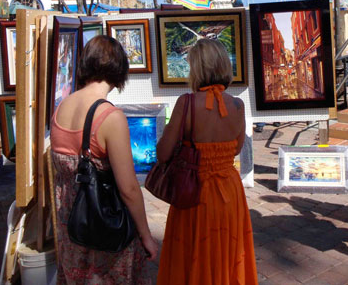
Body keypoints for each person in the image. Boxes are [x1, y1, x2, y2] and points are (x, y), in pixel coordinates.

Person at [50, 35, 158, 284]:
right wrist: (146, 236)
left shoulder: (61, 108)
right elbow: (129, 188)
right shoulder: (110, 117)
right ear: (119, 70)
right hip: (103, 231)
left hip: (71, 227)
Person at [157, 38, 258, 284]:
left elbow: (163, 154)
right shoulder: (237, 105)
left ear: (197, 69)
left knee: (194, 253)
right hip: (229, 193)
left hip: (195, 191)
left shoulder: (187, 103)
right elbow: (236, 149)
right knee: (227, 251)